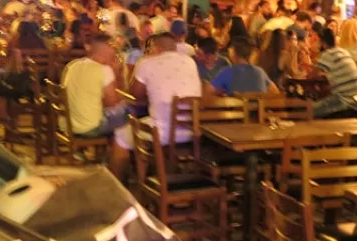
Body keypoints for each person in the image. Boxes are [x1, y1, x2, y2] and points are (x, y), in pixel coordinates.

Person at [110, 33, 202, 179]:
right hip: (192, 131)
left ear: (156, 48)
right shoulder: (190, 62)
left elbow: (136, 95)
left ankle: (117, 186)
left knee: (121, 134)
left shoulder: (146, 63)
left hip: (161, 132)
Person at [61, 33, 128, 144]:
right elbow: (111, 103)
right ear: (107, 50)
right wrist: (117, 74)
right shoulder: (104, 70)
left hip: (67, 125)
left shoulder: (73, 65)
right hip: (90, 127)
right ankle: (118, 155)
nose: (115, 53)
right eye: (113, 49)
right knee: (130, 115)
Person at [311, 28, 357, 118]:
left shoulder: (328, 54)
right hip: (354, 102)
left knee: (308, 109)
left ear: (322, 42)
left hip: (343, 102)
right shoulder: (343, 52)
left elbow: (311, 77)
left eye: (316, 41)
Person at [212, 35, 280, 96]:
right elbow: (275, 92)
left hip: (238, 109)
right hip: (259, 109)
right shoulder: (260, 71)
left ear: (233, 52)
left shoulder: (227, 72)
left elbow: (209, 90)